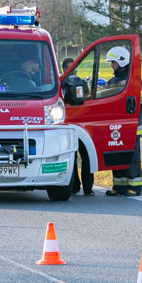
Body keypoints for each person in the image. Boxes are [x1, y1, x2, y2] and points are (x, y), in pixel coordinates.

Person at [104, 46, 142, 197]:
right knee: (117, 157)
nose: (111, 66)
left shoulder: (134, 79)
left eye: (113, 63)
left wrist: (130, 88)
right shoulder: (112, 81)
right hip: (116, 128)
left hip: (132, 128)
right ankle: (119, 186)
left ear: (122, 62)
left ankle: (134, 187)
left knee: (132, 158)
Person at [61, 57, 94, 196]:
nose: (73, 71)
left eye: (74, 68)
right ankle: (74, 186)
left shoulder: (82, 83)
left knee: (87, 156)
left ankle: (88, 188)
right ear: (64, 69)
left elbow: (87, 98)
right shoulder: (60, 83)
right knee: (71, 157)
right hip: (68, 123)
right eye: (70, 68)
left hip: (82, 123)